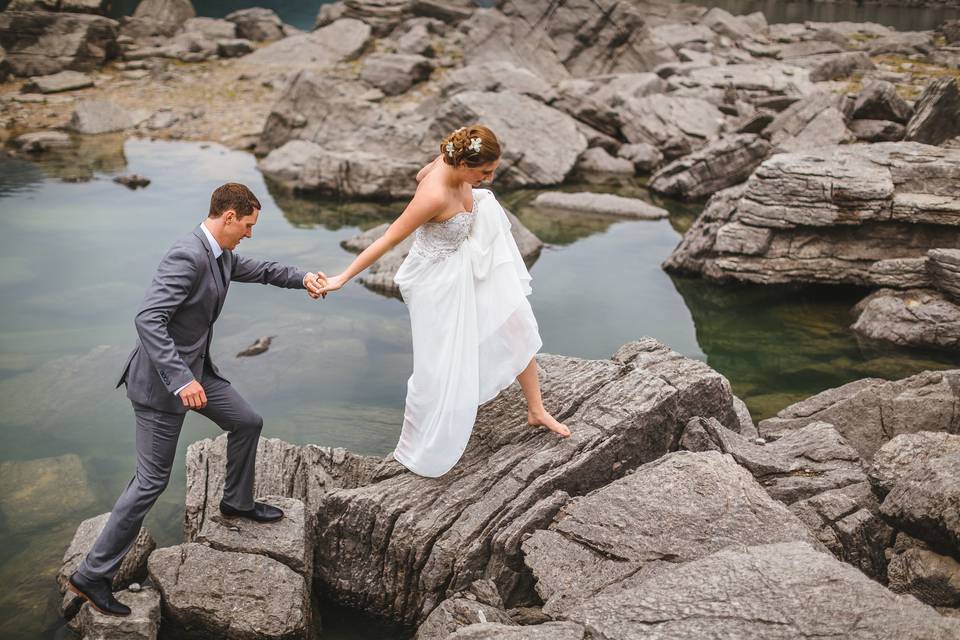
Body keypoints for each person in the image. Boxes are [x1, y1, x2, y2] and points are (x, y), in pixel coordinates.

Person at [67, 183, 326, 616]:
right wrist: (180, 378)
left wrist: (302, 278)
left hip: (199, 376)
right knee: (150, 483)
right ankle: (91, 575)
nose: (248, 233)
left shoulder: (219, 254)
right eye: (246, 225)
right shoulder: (187, 254)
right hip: (161, 389)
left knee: (247, 421)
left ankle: (236, 502)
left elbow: (258, 268)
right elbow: (148, 318)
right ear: (227, 217)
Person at [319, 125, 569, 478]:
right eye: (484, 172)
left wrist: (449, 149)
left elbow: (423, 171)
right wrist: (342, 277)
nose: (489, 178)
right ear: (464, 163)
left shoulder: (449, 165)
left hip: (468, 259)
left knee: (514, 318)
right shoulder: (433, 196)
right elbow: (390, 237)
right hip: (436, 280)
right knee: (440, 362)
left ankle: (536, 409)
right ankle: (419, 443)